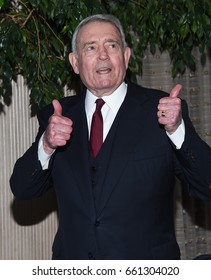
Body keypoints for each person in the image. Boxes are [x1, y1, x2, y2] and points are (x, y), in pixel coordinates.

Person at [10, 14, 211, 260]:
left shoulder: (161, 111)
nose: (103, 55)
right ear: (75, 62)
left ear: (126, 57)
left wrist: (177, 131)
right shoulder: (58, 117)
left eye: (111, 45)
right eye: (91, 47)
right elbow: (22, 188)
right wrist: (46, 145)